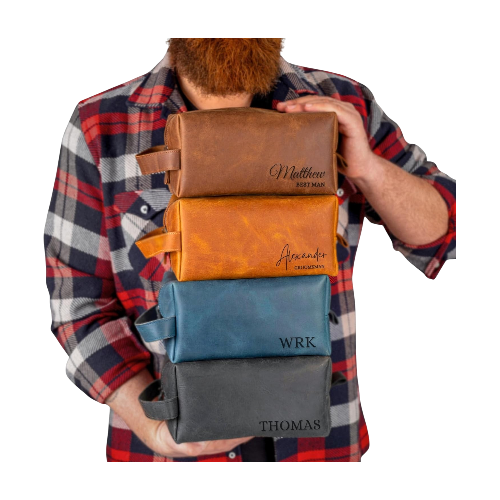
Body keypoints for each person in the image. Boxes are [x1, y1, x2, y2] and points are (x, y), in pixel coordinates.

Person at [44, 38, 456, 463]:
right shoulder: (99, 125)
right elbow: (77, 305)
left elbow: (441, 235)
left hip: (324, 446)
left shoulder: (344, 101)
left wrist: (369, 168)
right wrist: (154, 428)